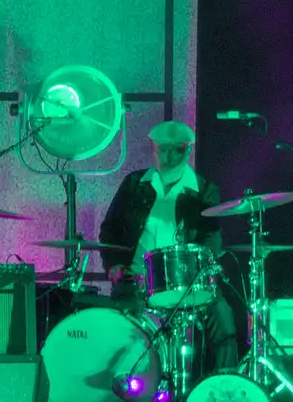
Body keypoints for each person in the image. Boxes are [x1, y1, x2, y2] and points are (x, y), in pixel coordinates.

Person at [97, 120, 239, 377]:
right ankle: (130, 386)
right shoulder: (134, 184)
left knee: (223, 315)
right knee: (121, 326)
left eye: (176, 150)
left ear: (188, 151)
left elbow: (211, 238)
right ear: (153, 148)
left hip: (186, 280)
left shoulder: (203, 190)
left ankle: (223, 382)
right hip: (138, 276)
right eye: (162, 149)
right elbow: (110, 230)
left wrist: (198, 270)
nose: (168, 156)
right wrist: (114, 264)